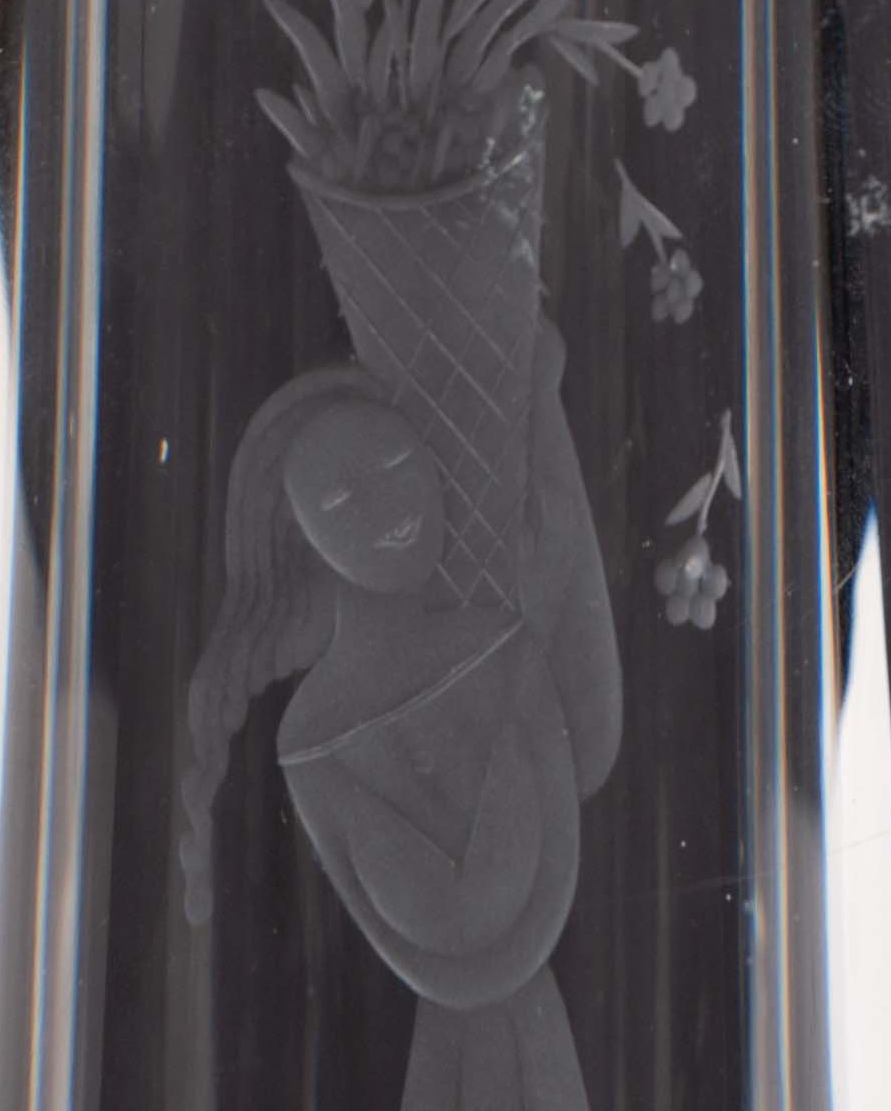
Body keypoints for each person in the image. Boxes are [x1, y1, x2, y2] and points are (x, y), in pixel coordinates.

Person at [181, 324, 619, 1110]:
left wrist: (542, 404)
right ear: (299, 536)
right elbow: (379, 921)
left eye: (396, 465)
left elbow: (582, 756)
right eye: (340, 500)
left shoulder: (497, 645)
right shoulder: (308, 741)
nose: (388, 509)